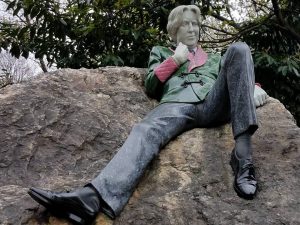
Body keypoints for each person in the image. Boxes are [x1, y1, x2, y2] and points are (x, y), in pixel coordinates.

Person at [28, 5, 268, 225]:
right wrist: (175, 60)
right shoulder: (161, 52)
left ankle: (243, 160)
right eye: (186, 24)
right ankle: (93, 197)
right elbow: (152, 84)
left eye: (195, 24)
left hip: (213, 103)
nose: (193, 28)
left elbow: (236, 75)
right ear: (175, 30)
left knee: (239, 48)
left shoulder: (215, 59)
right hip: (177, 105)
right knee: (144, 130)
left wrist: (253, 88)